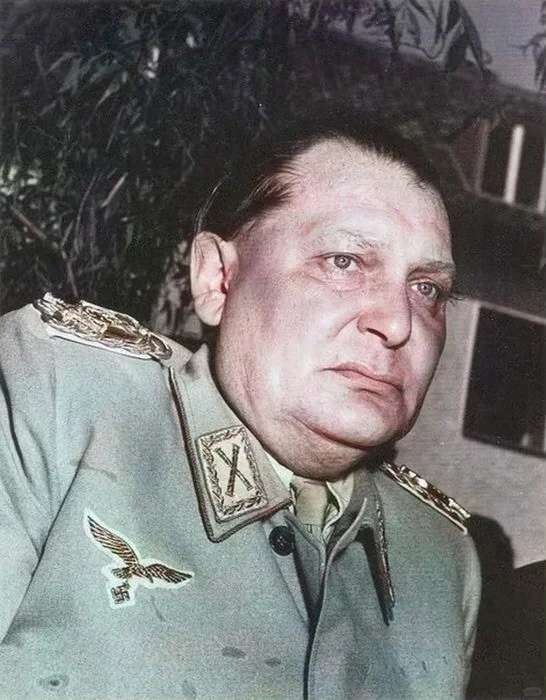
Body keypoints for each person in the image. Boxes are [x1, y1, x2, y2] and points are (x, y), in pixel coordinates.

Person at [0, 112, 480, 699]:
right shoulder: (62, 398)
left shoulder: (441, 558)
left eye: (427, 289)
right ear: (218, 280)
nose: (398, 323)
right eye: (344, 262)